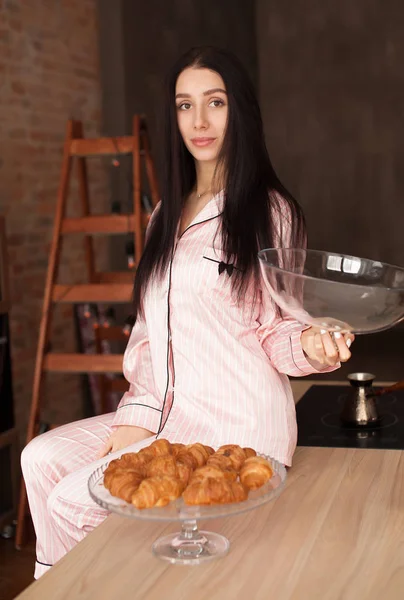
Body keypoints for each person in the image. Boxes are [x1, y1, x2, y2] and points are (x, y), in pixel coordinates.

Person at [21, 46, 354, 578]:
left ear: (238, 110)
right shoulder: (163, 217)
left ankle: (120, 587)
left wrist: (314, 346)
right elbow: (150, 335)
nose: (198, 121)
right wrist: (135, 419)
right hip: (167, 415)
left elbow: (277, 329)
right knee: (39, 458)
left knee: (72, 501)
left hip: (236, 428)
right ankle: (71, 587)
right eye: (184, 105)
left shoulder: (270, 212)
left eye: (215, 102)